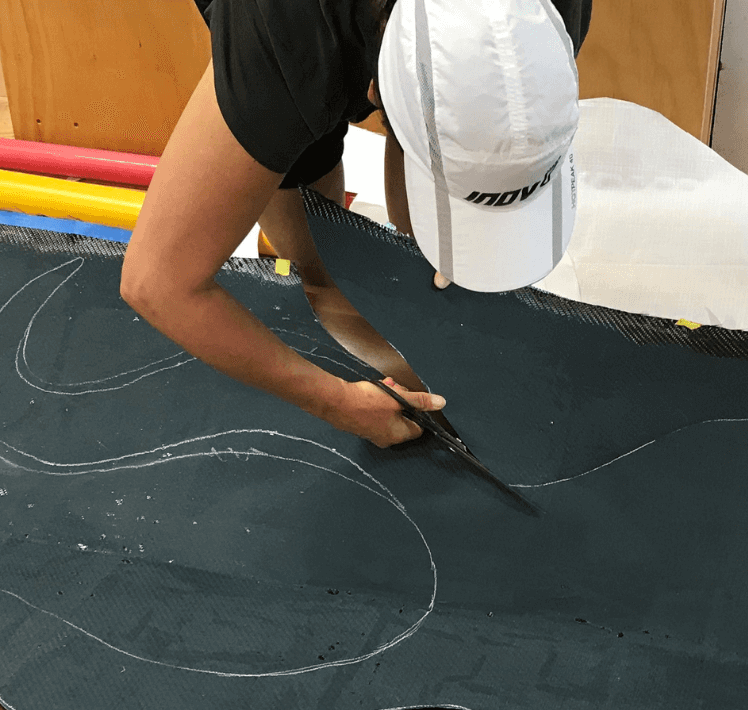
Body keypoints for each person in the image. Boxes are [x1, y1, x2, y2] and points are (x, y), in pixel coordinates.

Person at [121, 0, 591, 447]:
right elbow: (156, 283)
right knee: (320, 256)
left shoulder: (551, 21)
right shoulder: (286, 47)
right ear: (376, 93)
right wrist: (337, 403)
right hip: (298, 42)